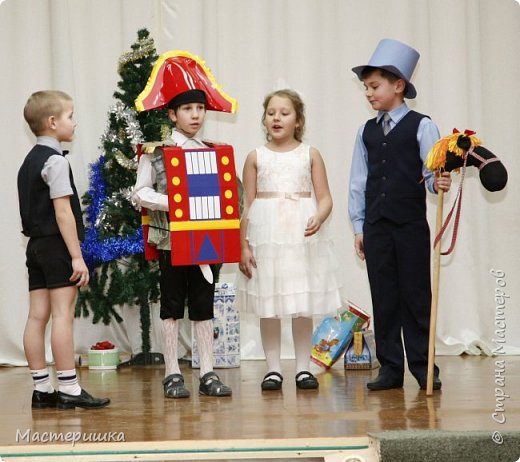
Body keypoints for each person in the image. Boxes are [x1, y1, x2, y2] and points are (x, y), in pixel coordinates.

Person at [348, 39, 451, 391]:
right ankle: (390, 368)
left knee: (416, 296)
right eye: (366, 88)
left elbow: (430, 176)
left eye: (374, 86)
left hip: (409, 226)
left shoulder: (423, 126)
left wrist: (439, 183)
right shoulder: (366, 131)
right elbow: (358, 181)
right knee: (384, 297)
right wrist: (359, 226)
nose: (369, 93)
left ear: (398, 85)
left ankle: (424, 367)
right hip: (376, 227)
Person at [133, 51, 237, 399]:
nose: (196, 115)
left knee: (204, 305)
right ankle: (172, 371)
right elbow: (140, 193)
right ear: (172, 114)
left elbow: (230, 195)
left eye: (200, 109)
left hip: (207, 243)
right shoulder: (156, 152)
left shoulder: (214, 152)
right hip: (171, 241)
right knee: (172, 305)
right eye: (188, 109)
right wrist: (176, 205)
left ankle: (207, 371)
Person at [237, 89, 342, 391]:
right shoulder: (256, 156)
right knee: (268, 302)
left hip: (300, 237)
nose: (276, 118)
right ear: (264, 119)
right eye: (271, 113)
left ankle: (302, 369)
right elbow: (247, 204)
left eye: (284, 112)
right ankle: (272, 370)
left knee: (300, 302)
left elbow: (325, 198)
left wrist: (319, 217)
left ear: (298, 120)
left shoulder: (309, 154)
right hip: (265, 236)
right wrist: (243, 244)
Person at [17, 90, 110, 409]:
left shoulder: (28, 162)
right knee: (61, 316)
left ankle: (42, 388)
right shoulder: (55, 161)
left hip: (35, 247)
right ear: (53, 122)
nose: (74, 122)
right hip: (57, 246)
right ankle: (69, 388)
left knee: (36, 316)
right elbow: (63, 213)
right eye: (71, 116)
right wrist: (76, 255)